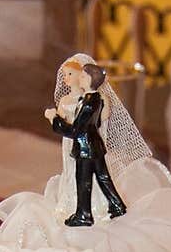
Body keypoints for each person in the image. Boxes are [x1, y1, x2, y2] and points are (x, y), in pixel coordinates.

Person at [44, 59, 127, 227]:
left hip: (85, 147)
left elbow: (75, 130)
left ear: (89, 80)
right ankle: (117, 205)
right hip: (94, 145)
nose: (79, 79)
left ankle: (84, 214)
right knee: (103, 177)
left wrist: (54, 118)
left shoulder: (90, 101)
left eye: (82, 76)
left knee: (83, 181)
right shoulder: (92, 98)